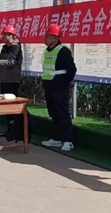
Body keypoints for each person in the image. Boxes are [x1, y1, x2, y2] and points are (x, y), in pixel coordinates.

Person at [41, 24, 77, 152]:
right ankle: (56, 138)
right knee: (53, 113)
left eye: (47, 36)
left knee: (62, 113)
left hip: (60, 88)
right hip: (49, 87)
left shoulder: (63, 51)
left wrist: (64, 82)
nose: (45, 39)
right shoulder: (46, 51)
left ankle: (68, 141)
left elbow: (71, 70)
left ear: (54, 38)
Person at [0, 25, 23, 136]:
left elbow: (11, 62)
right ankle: (9, 130)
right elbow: (0, 61)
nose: (2, 37)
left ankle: (16, 130)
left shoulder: (17, 47)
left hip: (12, 81)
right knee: (5, 106)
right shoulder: (4, 47)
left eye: (5, 35)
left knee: (12, 106)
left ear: (11, 36)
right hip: (4, 79)